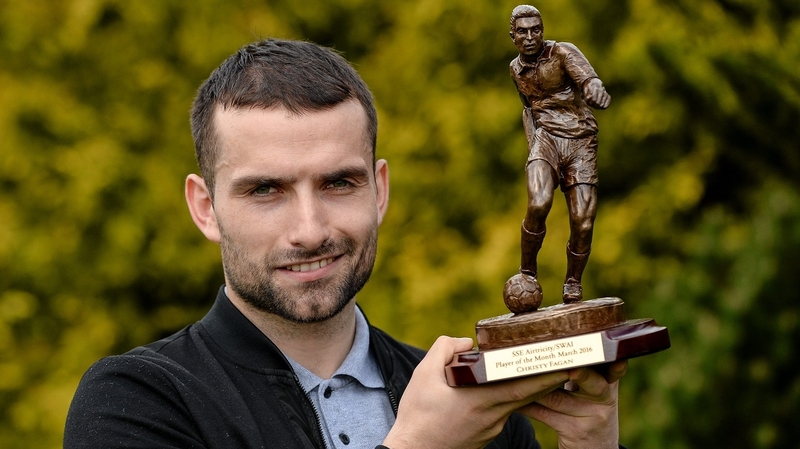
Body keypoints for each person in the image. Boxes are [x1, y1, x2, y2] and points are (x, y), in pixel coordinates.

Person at [64, 38, 626, 449]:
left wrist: (594, 442)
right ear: (205, 208)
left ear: (378, 191)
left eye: (338, 183)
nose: (310, 229)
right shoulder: (134, 403)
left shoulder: (475, 411)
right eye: (266, 190)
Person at [507, 5, 611, 305]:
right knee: (538, 203)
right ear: (513, 36)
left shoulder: (563, 52)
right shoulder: (515, 69)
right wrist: (533, 148)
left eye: (536, 30)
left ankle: (573, 282)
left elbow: (589, 80)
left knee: (583, 221)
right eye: (523, 32)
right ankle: (527, 271)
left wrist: (595, 90)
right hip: (546, 139)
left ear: (543, 30)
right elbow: (528, 108)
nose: (530, 37)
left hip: (580, 142)